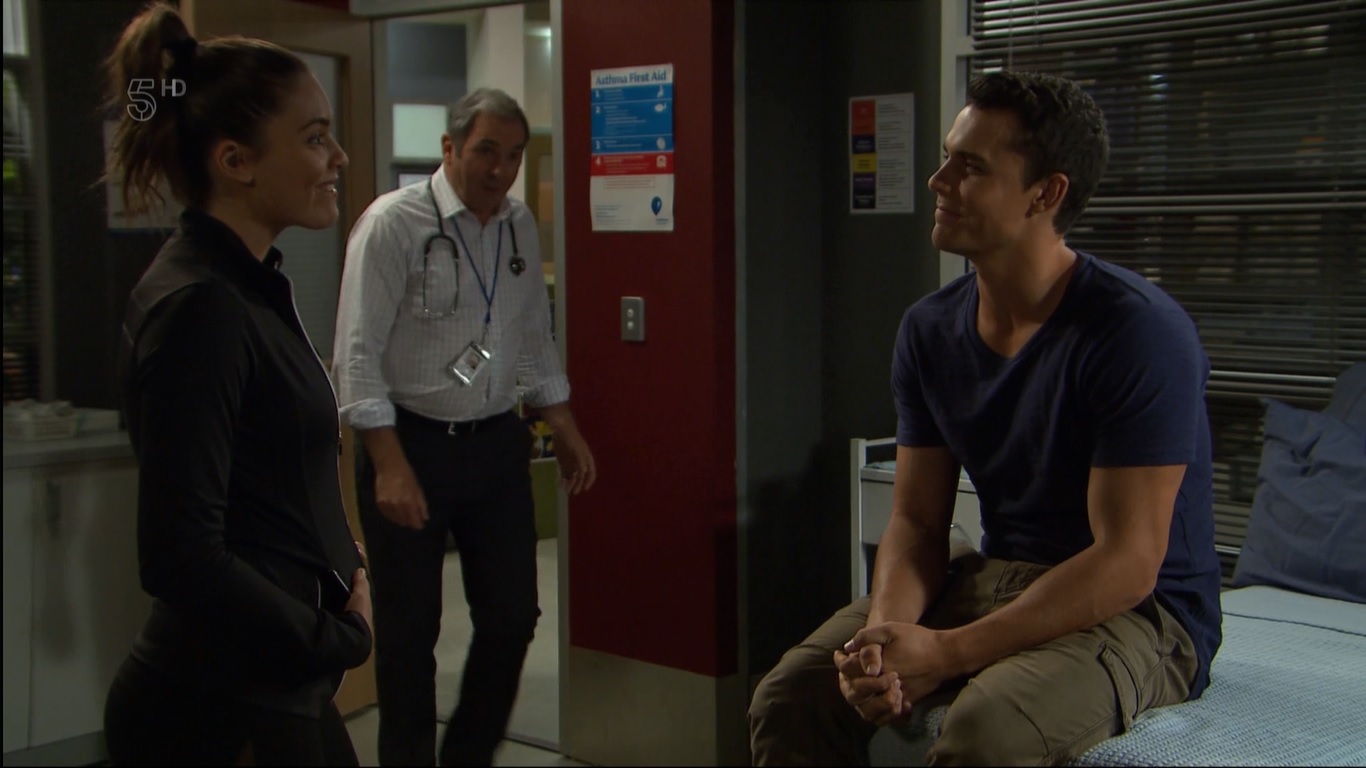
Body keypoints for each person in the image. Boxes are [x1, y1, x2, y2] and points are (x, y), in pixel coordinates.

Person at [748, 70, 1223, 765]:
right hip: (997, 573)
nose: (938, 181)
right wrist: (886, 643)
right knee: (789, 698)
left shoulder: (1137, 332)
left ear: (1046, 193)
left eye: (969, 167)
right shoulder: (930, 330)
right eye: (947, 157)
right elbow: (917, 522)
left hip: (1140, 613)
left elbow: (1126, 562)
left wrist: (946, 653)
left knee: (986, 731)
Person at [101, 3, 371, 765]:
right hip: (222, 703)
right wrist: (338, 637)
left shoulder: (245, 287)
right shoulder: (204, 306)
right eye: (314, 138)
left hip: (277, 683)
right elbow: (181, 553)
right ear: (236, 161)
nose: (339, 157)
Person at [332, 87, 596, 766]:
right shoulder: (393, 224)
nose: (500, 169)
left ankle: (467, 757)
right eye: (486, 151)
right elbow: (355, 355)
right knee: (409, 634)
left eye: (513, 155)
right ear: (449, 148)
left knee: (513, 617)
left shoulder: (517, 225)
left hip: (494, 445)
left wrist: (562, 421)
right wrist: (388, 462)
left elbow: (532, 335)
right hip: (410, 443)